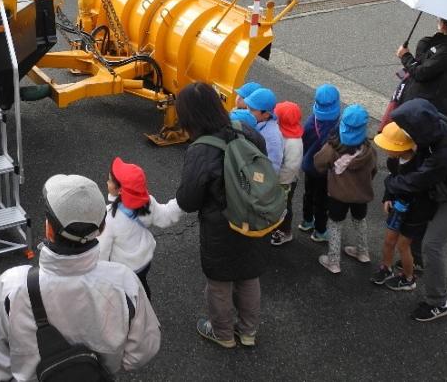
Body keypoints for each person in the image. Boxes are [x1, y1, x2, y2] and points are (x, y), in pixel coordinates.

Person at [0, 174, 160, 379]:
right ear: (102, 228)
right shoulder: (124, 283)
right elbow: (144, 349)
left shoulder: (12, 286)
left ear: (49, 229)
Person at [175, 82, 268, 349]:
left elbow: (188, 200)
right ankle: (248, 332)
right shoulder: (248, 131)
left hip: (221, 227)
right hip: (255, 217)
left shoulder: (201, 149)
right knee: (249, 276)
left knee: (220, 283)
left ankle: (223, 333)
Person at [383, 98, 447, 322]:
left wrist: (389, 186)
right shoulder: (438, 124)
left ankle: (437, 302)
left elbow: (415, 182)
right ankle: (415, 264)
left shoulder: (444, 155)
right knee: (422, 230)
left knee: (432, 245)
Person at [98, 157, 185, 300]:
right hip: (144, 263)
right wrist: (182, 202)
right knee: (142, 289)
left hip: (124, 270)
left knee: (126, 299)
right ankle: (145, 309)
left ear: (120, 190)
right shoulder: (147, 203)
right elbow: (165, 215)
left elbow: (102, 252)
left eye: (109, 180)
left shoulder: (109, 218)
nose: (107, 182)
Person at [371, 122, 435, 291]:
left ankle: (408, 278)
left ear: (400, 148)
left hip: (416, 212)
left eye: (388, 146)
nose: (386, 150)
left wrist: (392, 189)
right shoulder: (394, 160)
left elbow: (398, 183)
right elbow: (393, 181)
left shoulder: (421, 166)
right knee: (388, 241)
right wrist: (388, 197)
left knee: (403, 246)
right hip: (398, 208)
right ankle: (386, 267)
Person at [314, 105, 376, 274]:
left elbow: (318, 163)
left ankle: (333, 261)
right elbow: (374, 171)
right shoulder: (369, 150)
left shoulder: (333, 148)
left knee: (334, 225)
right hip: (362, 195)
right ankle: (363, 252)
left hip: (338, 196)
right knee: (360, 221)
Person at [396, 18, 447, 120]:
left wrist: (405, 56)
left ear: (443, 25)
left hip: (431, 107)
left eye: (439, 20)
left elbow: (420, 73)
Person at [298, 84, 342, 242]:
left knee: (308, 194)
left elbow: (303, 143)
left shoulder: (311, 122)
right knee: (322, 201)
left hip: (309, 167)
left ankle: (306, 221)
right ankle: (320, 231)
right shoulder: (337, 126)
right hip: (325, 172)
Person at [269, 101, 303, 247]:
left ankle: (285, 231)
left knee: (284, 205)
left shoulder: (294, 142)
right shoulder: (280, 131)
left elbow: (291, 167)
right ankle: (275, 225)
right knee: (276, 204)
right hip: (278, 179)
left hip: (285, 181)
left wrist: (280, 182)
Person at [244, 87, 284, 172]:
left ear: (266, 114)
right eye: (247, 107)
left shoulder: (272, 137)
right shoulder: (256, 121)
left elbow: (273, 168)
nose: (247, 112)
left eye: (252, 110)